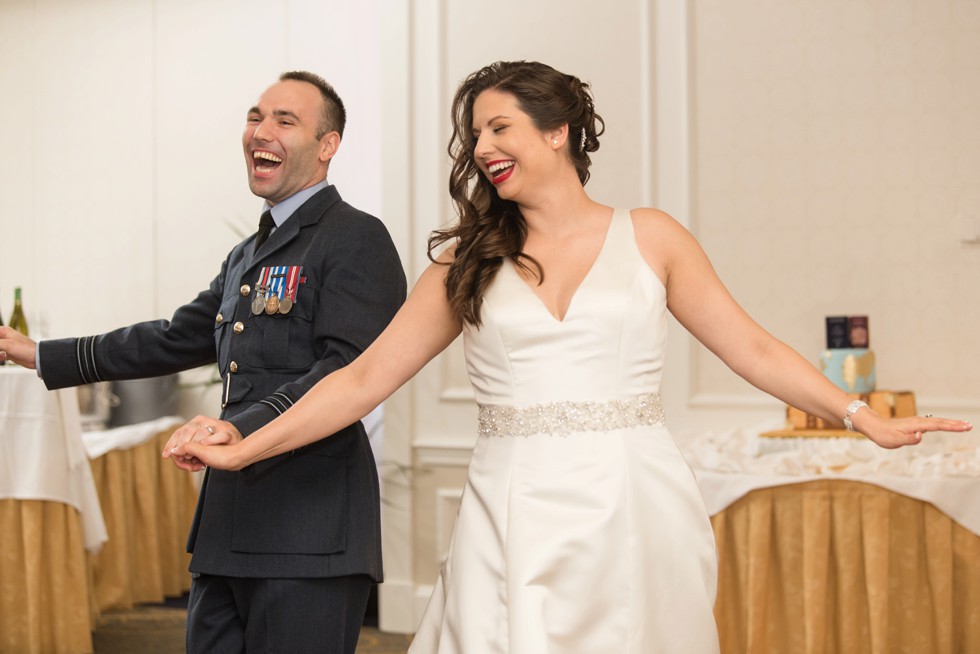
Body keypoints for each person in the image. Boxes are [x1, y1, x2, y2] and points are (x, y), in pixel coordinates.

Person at [162, 61, 972, 653]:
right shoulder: (465, 263)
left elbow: (751, 346)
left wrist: (859, 416)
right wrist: (246, 446)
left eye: (498, 126)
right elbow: (364, 378)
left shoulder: (652, 237)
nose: (480, 147)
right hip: (509, 507)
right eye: (473, 133)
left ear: (558, 132)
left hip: (635, 501)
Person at [0, 71, 407, 653]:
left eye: (284, 121)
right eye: (254, 116)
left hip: (310, 529)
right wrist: (39, 353)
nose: (260, 131)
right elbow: (172, 338)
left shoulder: (355, 238)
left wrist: (237, 427)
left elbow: (346, 372)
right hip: (227, 527)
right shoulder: (247, 253)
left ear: (328, 145)